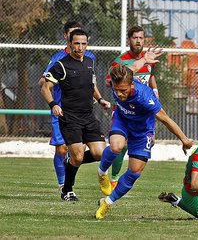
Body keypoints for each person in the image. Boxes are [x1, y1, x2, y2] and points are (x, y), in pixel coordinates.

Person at [95, 63, 193, 220]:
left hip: (142, 132)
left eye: (124, 91)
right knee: (116, 147)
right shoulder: (120, 78)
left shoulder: (144, 97)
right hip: (122, 121)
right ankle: (101, 173)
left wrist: (184, 139)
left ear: (132, 84)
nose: (119, 94)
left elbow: (166, 119)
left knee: (134, 172)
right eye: (117, 90)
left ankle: (107, 203)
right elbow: (131, 69)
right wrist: (145, 59)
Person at [41, 29, 111, 201]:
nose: (80, 47)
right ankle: (67, 190)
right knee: (78, 156)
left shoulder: (89, 62)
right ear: (70, 43)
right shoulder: (61, 65)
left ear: (87, 44)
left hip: (88, 116)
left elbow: (91, 84)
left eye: (83, 44)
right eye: (77, 43)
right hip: (70, 118)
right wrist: (53, 104)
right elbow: (45, 87)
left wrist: (100, 99)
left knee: (100, 154)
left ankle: (69, 162)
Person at [38, 21, 97, 191]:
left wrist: (92, 95)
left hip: (82, 111)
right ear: (67, 38)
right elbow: (43, 82)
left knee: (84, 151)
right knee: (62, 148)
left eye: (82, 41)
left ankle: (71, 172)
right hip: (62, 110)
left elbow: (92, 80)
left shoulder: (90, 58)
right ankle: (62, 183)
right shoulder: (58, 59)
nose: (78, 44)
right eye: (74, 38)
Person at [107, 25, 160, 189]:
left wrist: (155, 91)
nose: (138, 41)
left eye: (141, 38)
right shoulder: (120, 61)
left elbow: (150, 76)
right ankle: (114, 178)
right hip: (125, 109)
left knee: (140, 145)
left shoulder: (148, 58)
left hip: (143, 110)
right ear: (129, 40)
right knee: (120, 146)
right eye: (135, 38)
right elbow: (109, 81)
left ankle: (121, 181)